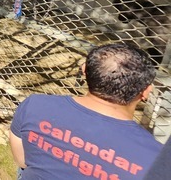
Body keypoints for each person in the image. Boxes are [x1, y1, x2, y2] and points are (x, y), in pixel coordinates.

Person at [9, 43, 162, 180]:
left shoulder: (35, 105)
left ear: (84, 71)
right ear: (146, 91)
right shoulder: (157, 159)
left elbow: (21, 160)